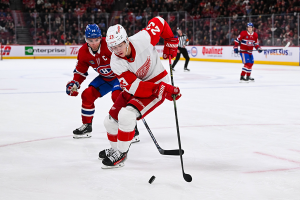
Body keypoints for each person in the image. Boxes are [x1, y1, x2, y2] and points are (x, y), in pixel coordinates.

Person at [99, 16, 181, 169]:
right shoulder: (115, 62)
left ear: (127, 40)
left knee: (126, 115)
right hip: (140, 87)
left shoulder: (143, 38)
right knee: (109, 121)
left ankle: (121, 154)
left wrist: (170, 40)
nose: (117, 51)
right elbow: (135, 87)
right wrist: (161, 91)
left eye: (120, 46)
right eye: (113, 48)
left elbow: (159, 22)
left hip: (158, 82)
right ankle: (116, 149)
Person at [66, 24, 140, 142]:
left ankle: (131, 128)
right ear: (86, 40)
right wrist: (75, 83)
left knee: (117, 96)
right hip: (105, 78)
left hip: (119, 76)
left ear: (101, 37)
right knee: (87, 95)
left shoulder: (110, 45)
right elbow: (80, 71)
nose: (94, 43)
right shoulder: (83, 52)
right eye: (91, 40)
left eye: (97, 39)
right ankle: (87, 126)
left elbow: (126, 58)